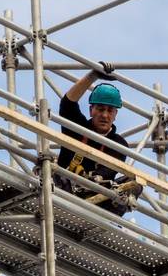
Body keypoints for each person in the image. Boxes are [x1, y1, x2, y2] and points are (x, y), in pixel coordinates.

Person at [56, 62, 138, 215]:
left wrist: (95, 181)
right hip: (63, 189)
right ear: (91, 110)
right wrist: (92, 76)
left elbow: (108, 172)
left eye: (110, 110)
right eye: (100, 109)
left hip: (95, 199)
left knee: (132, 184)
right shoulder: (77, 129)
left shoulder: (119, 144)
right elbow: (67, 103)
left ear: (115, 114)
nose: (105, 115)